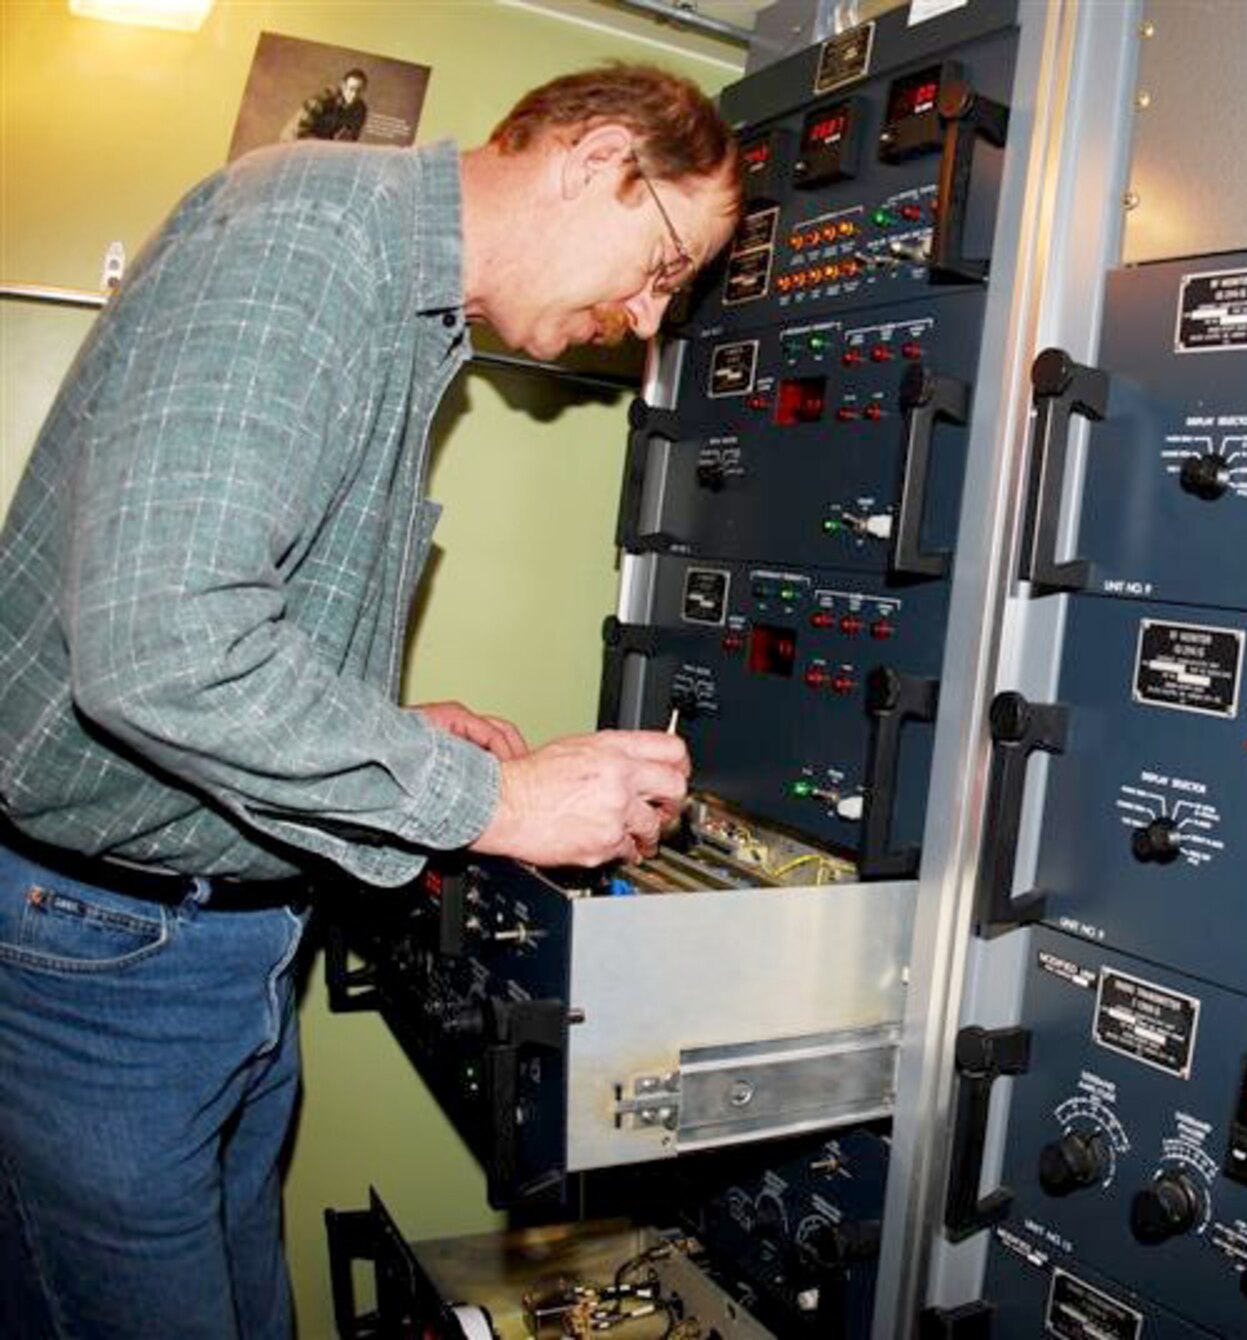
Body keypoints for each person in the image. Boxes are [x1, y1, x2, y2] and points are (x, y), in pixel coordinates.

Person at [0, 63, 739, 1337]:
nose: (645, 316)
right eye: (663, 265)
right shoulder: (308, 242)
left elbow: (235, 617)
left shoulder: (400, 300)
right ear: (593, 159)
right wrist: (497, 799)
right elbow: (163, 646)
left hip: (210, 942)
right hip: (108, 957)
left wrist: (394, 731)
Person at [280, 66, 370, 143]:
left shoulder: (360, 110)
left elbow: (353, 137)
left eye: (359, 91)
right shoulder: (321, 101)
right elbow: (299, 130)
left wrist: (345, 140)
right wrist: (325, 145)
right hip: (292, 142)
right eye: (351, 89)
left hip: (323, 147)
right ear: (343, 86)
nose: (354, 95)